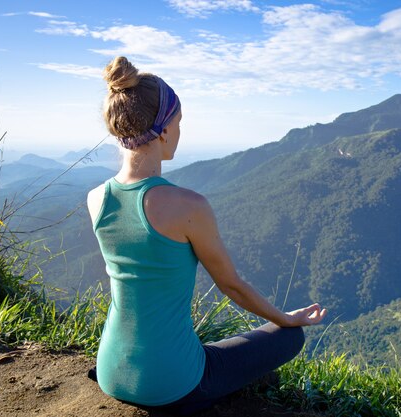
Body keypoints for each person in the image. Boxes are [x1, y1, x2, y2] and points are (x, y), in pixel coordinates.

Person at [86, 56, 327, 415]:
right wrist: (287, 318)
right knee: (288, 338)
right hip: (172, 384)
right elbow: (232, 286)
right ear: (165, 130)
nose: (180, 132)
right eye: (179, 123)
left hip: (111, 371)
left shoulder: (97, 199)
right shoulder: (188, 206)